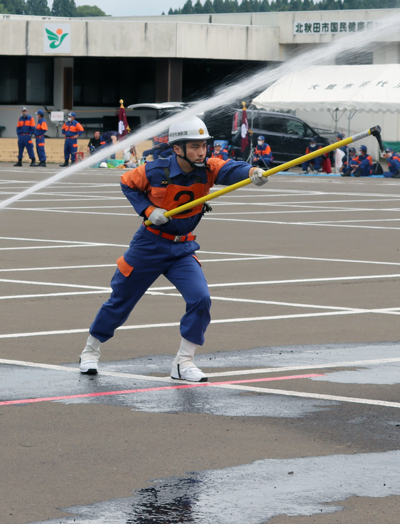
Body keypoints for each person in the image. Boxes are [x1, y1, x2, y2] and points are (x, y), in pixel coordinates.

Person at [77, 116, 270, 381]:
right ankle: (90, 351)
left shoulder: (208, 168)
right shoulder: (154, 170)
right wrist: (148, 210)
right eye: (194, 146)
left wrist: (252, 173)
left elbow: (230, 168)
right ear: (177, 148)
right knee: (121, 300)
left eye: (204, 145)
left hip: (182, 249)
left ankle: (183, 362)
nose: (202, 152)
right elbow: (126, 182)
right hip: (149, 245)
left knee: (200, 298)